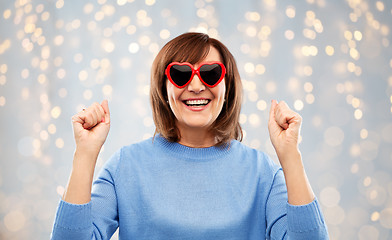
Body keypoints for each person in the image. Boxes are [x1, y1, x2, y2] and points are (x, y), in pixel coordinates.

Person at [51, 32, 329, 239]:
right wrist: (85, 154)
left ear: (227, 86)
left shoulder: (262, 172)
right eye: (181, 74)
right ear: (164, 88)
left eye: (210, 73)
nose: (196, 85)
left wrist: (290, 155)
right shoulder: (126, 165)